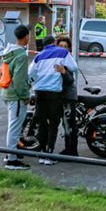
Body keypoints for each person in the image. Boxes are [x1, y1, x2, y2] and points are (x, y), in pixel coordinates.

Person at [28, 34, 78, 164]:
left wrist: (32, 82)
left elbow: (29, 74)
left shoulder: (38, 56)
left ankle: (42, 154)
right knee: (53, 124)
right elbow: (74, 68)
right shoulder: (62, 52)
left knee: (42, 124)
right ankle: (50, 154)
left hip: (39, 92)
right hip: (54, 93)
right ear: (55, 42)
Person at [0, 25, 31, 170]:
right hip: (16, 96)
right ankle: (11, 160)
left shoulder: (8, 52)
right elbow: (19, 79)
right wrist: (26, 95)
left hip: (7, 92)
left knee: (13, 125)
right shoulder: (22, 55)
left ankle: (12, 153)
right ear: (27, 36)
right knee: (15, 127)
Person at [55, 36, 80, 157]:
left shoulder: (67, 61)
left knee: (69, 125)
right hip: (60, 96)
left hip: (68, 96)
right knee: (65, 125)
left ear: (69, 48)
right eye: (60, 46)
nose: (63, 48)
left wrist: (63, 72)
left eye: (65, 46)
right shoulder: (56, 59)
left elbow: (70, 80)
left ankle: (72, 152)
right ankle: (68, 149)